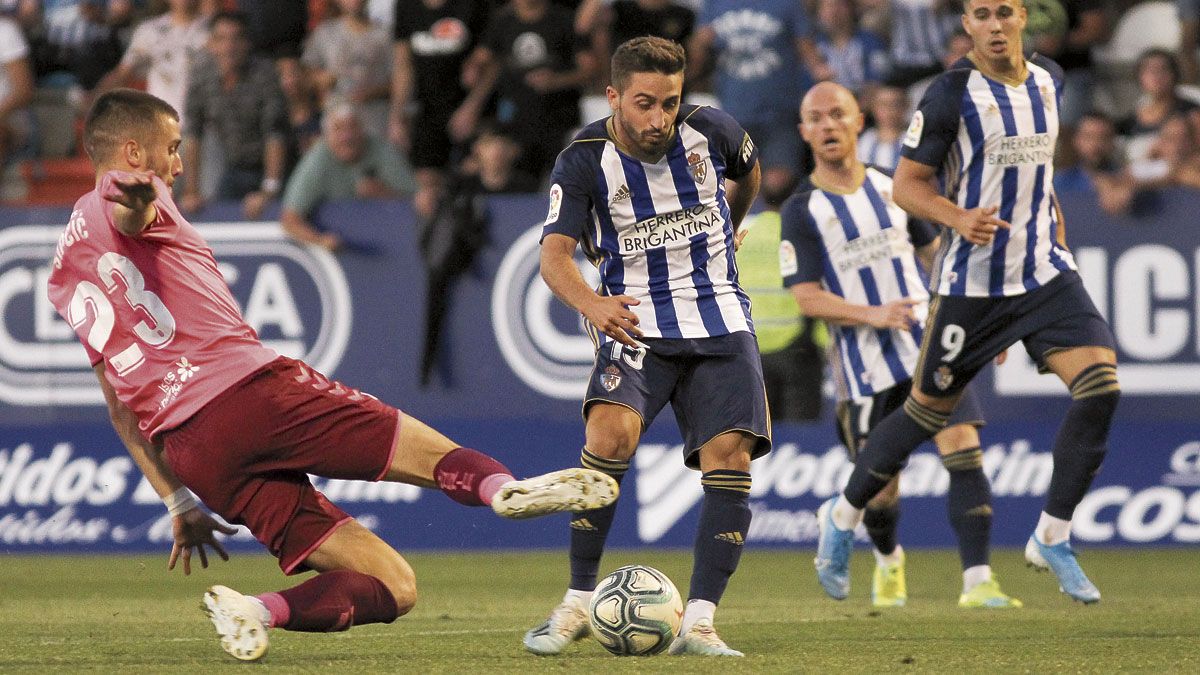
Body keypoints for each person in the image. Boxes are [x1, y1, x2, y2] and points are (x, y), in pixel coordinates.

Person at [45, 88, 619, 662]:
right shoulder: (134, 195)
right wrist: (136, 195)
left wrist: (178, 502)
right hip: (251, 395)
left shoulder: (65, 273)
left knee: (396, 586)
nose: (178, 162)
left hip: (194, 454)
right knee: (431, 456)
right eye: (170, 149)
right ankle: (500, 491)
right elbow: (127, 208)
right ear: (132, 153)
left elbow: (121, 407)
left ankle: (254, 609)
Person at [812, 0, 1121, 606]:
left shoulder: (1051, 80)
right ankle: (844, 514)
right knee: (927, 413)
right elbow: (906, 185)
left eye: (1006, 11)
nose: (996, 24)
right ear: (968, 25)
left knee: (1102, 388)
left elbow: (1040, 178)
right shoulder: (950, 94)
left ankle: (1052, 536)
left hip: (1043, 275)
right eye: (983, 14)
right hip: (971, 285)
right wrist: (958, 218)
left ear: (1023, 17)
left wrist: (1056, 240)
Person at [526, 36, 769, 658]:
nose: (658, 119)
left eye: (669, 102)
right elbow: (554, 256)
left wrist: (733, 225)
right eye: (643, 104)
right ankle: (579, 601)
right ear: (614, 98)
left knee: (729, 459)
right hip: (635, 323)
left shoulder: (712, 130)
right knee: (609, 437)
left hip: (718, 318)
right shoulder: (582, 159)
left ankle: (701, 622)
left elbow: (750, 172)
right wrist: (593, 304)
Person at [782, 82, 1021, 608]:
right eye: (816, 118)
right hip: (862, 366)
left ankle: (978, 582)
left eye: (837, 115)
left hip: (930, 347)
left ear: (858, 122)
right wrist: (873, 314)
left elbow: (937, 255)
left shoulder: (895, 188)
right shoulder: (802, 210)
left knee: (963, 448)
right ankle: (889, 561)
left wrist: (978, 316)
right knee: (882, 489)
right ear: (804, 132)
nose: (827, 125)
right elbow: (805, 297)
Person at [180, 11, 288, 218]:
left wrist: (269, 190)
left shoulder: (265, 75)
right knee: (216, 214)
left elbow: (275, 134)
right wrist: (191, 190)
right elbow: (193, 135)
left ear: (247, 43)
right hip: (234, 167)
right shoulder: (201, 75)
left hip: (277, 167)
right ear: (211, 43)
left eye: (236, 39)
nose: (229, 47)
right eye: (222, 39)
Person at [280, 102, 415, 250]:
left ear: (363, 130)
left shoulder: (382, 150)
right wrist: (320, 240)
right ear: (326, 135)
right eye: (338, 129)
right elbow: (289, 219)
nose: (347, 136)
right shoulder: (317, 160)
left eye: (352, 127)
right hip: (342, 248)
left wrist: (383, 193)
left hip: (390, 246)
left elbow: (418, 202)